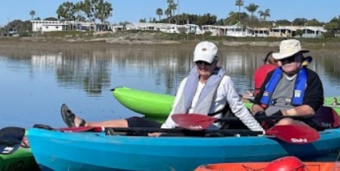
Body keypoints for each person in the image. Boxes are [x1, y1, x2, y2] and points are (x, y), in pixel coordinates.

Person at [62, 41, 263, 133]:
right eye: (199, 62)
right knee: (135, 121)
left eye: (207, 63)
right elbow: (176, 111)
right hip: (180, 128)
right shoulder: (187, 81)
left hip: (206, 131)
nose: (203, 67)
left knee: (152, 131)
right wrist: (165, 129)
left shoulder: (225, 82)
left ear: (215, 61)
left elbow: (239, 110)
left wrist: (259, 132)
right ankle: (87, 125)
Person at [250, 39, 325, 128]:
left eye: (290, 58)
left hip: (296, 121)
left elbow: (309, 109)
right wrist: (259, 113)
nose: (286, 62)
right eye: (283, 59)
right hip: (267, 119)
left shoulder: (312, 77)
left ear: (300, 57)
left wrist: (281, 114)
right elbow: (257, 103)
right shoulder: (271, 76)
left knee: (285, 122)